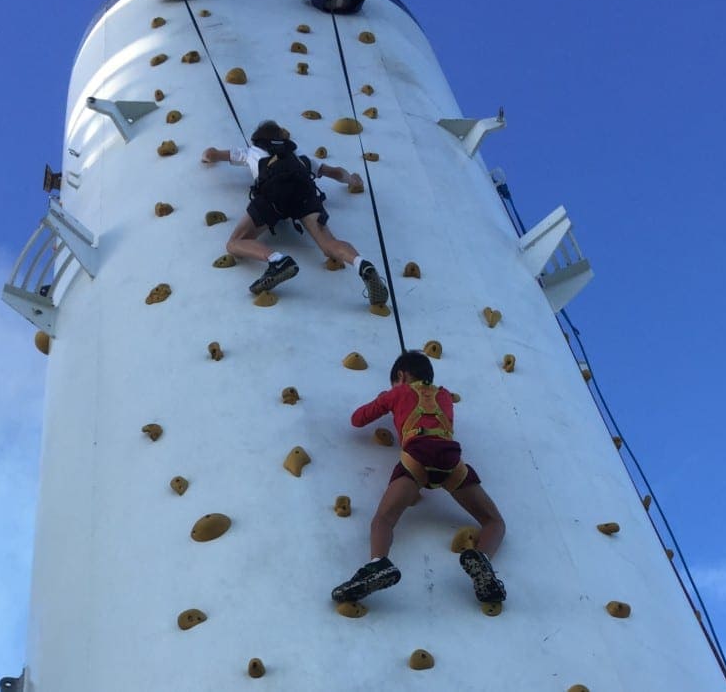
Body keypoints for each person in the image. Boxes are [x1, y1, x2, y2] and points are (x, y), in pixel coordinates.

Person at [332, 351, 507, 604]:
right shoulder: (445, 396)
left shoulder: (397, 393)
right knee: (494, 522)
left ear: (401, 375)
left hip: (417, 457)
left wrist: (386, 398)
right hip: (450, 460)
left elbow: (357, 419)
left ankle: (378, 563)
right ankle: (483, 559)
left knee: (384, 519)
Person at [201, 120, 388, 304]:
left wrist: (207, 157)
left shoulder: (252, 152)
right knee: (329, 244)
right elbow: (336, 172)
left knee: (235, 242)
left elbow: (212, 153)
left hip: (274, 197)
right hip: (304, 194)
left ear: (258, 139)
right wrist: (353, 180)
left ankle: (277, 260)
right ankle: (360, 263)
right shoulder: (300, 157)